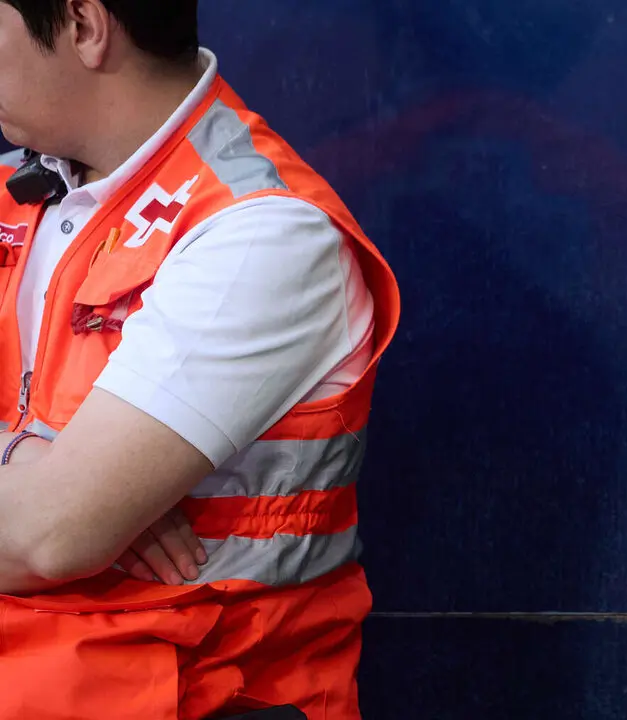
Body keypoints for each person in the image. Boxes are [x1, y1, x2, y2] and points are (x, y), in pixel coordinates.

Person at [0, 1, 399, 718]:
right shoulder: (18, 190)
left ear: (85, 27)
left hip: (197, 696)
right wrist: (26, 461)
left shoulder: (261, 233)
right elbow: (47, 521)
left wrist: (58, 506)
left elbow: (44, 536)